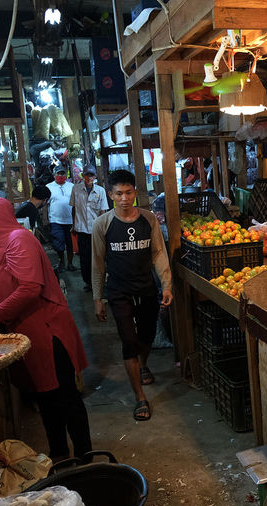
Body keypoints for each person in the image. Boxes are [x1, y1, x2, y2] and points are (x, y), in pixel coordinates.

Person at [0, 195, 92, 459]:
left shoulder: (18, 240)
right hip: (27, 332)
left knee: (65, 398)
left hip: (47, 332)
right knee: (46, 399)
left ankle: (84, 456)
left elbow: (29, 288)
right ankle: (59, 455)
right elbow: (3, 286)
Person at [91, 169, 172, 422]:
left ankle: (143, 363)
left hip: (146, 288)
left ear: (135, 193)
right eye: (119, 194)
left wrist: (167, 284)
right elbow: (98, 263)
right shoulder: (102, 224)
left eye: (128, 192)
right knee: (128, 341)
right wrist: (98, 298)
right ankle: (140, 397)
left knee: (146, 336)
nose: (124, 198)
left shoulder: (148, 220)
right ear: (110, 195)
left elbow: (158, 253)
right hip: (119, 292)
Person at [70, 165, 109, 292]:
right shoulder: (76, 189)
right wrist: (74, 225)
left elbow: (103, 211)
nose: (89, 178)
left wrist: (103, 230)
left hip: (96, 230)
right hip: (81, 229)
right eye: (87, 175)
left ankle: (100, 282)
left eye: (91, 175)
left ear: (95, 177)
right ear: (83, 176)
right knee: (85, 258)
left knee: (98, 257)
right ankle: (88, 282)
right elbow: (74, 208)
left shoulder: (100, 191)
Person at [45, 166, 76, 272]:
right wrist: (46, 219)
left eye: (63, 174)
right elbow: (45, 204)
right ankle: (62, 262)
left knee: (70, 243)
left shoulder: (72, 186)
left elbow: (76, 204)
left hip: (70, 220)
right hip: (55, 220)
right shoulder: (48, 187)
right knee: (59, 243)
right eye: (59, 174)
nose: (61, 176)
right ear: (54, 175)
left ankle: (70, 264)